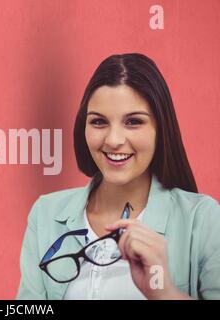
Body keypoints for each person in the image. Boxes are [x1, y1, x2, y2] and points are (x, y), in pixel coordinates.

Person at [16, 53, 220, 300]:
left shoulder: (204, 219)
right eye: (99, 122)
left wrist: (163, 292)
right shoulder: (45, 214)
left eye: (133, 122)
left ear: (161, 128)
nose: (113, 140)